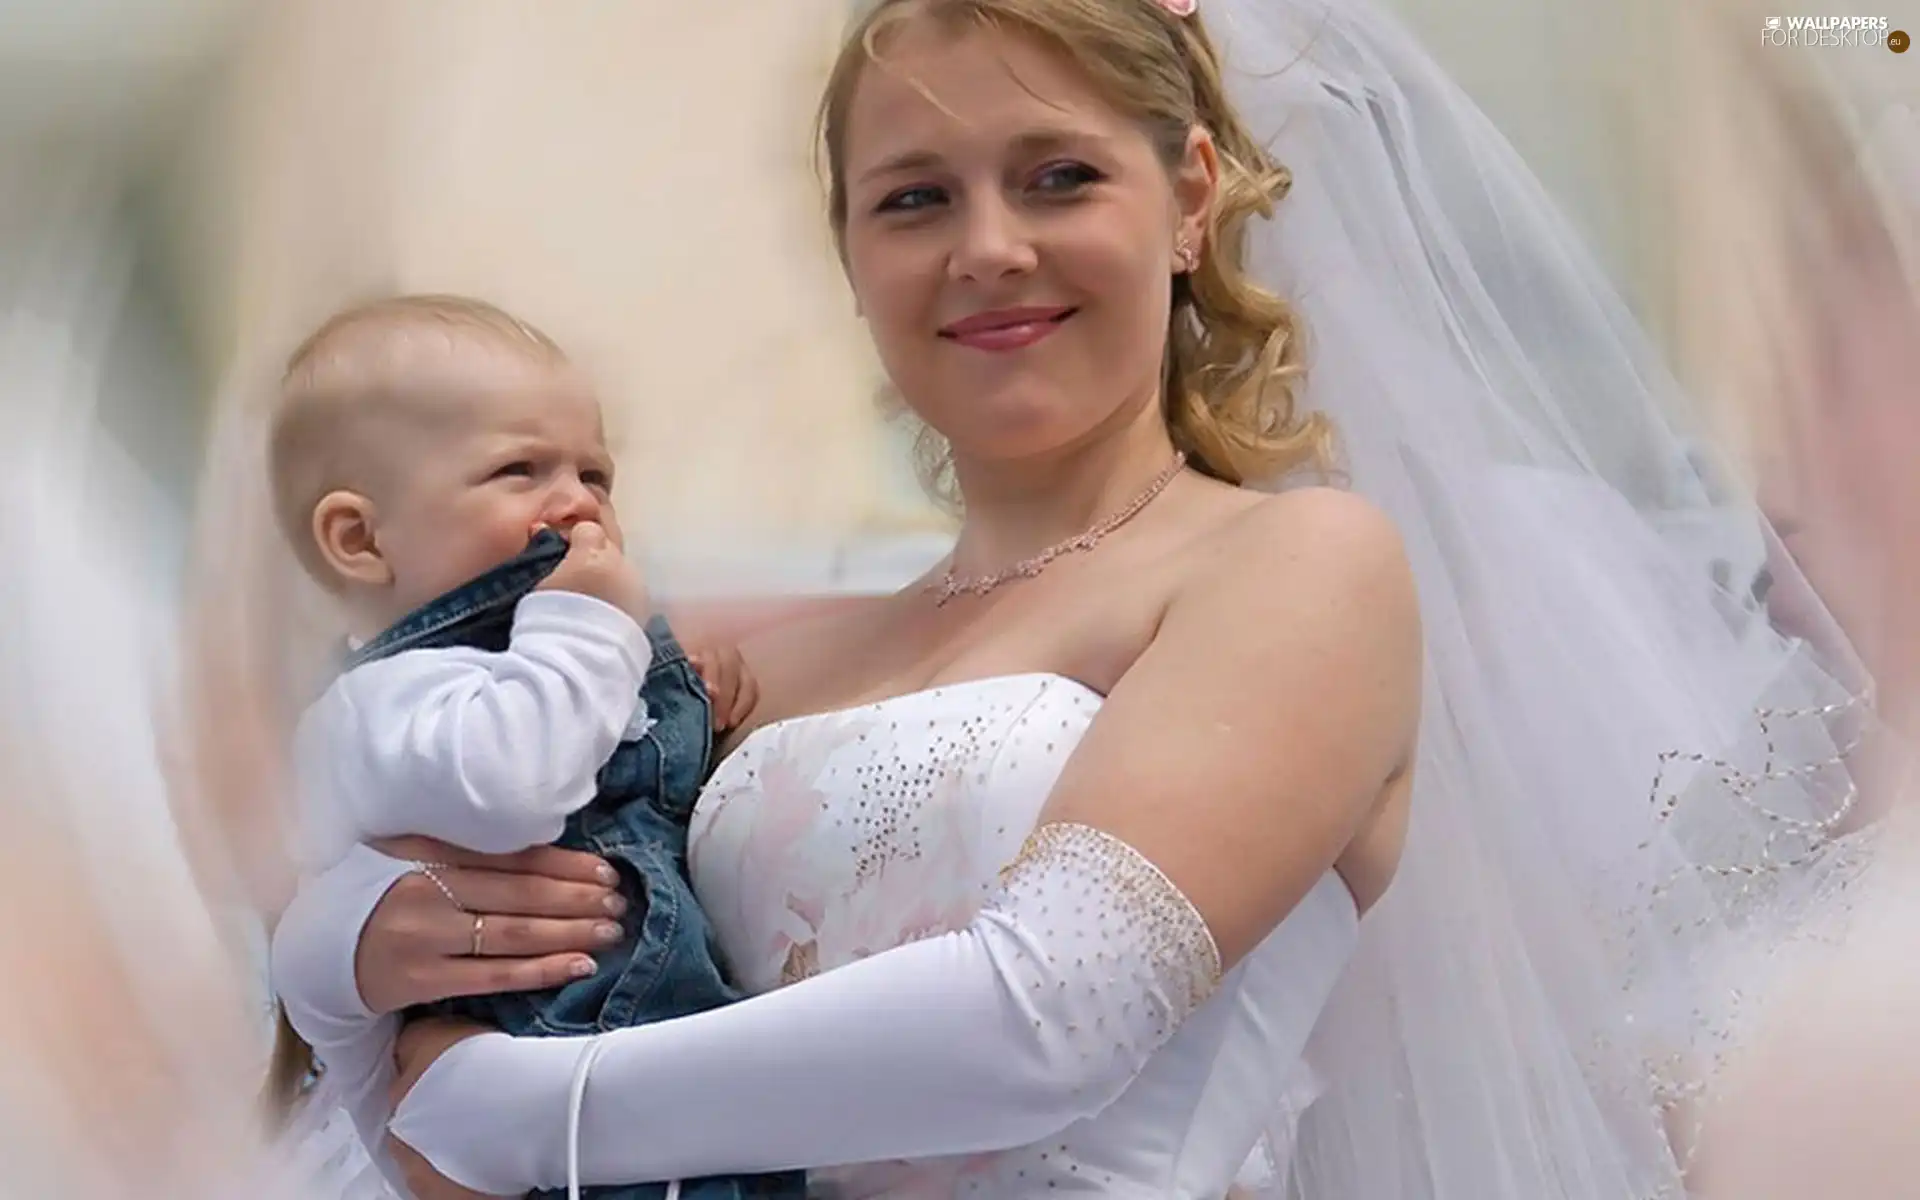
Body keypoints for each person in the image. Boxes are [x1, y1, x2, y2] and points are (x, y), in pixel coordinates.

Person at [264, 0, 1864, 1196]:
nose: (988, 249)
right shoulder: (753, 661)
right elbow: (524, 962)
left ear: (1188, 199)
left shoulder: (1298, 570)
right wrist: (347, 954)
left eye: (1055, 177)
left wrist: (544, 1111)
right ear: (850, 256)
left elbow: (1048, 1020)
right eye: (912, 198)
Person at [264, 294, 797, 1200]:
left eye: (598, 474)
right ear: (360, 540)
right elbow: (515, 783)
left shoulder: (567, 654)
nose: (579, 503)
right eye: (520, 469)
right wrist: (594, 628)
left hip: (659, 1082)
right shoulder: (376, 704)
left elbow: (638, 802)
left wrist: (690, 697)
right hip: (545, 1115)